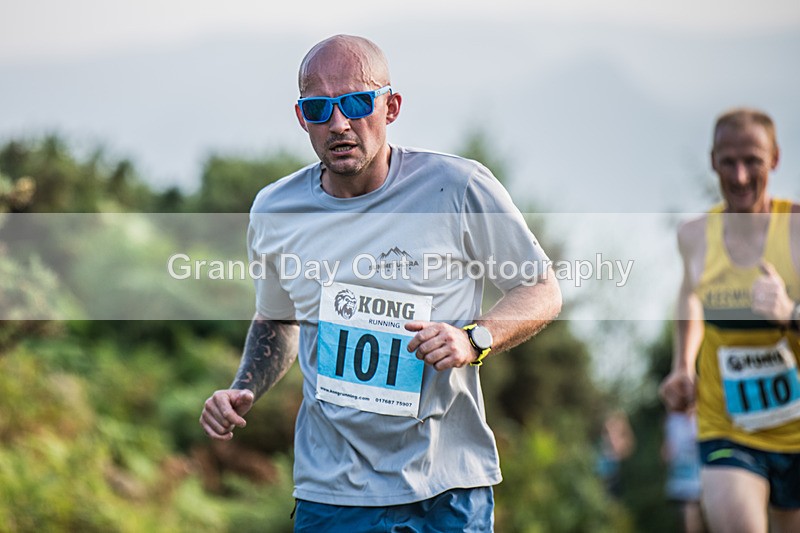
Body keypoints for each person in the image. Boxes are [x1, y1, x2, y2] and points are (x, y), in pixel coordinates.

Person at [199, 34, 562, 532]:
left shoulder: (457, 187)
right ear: (301, 117)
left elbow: (541, 289)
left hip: (448, 486)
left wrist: (474, 338)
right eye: (319, 108)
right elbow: (280, 318)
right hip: (333, 494)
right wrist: (243, 388)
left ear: (390, 107)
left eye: (354, 102)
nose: (339, 123)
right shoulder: (275, 210)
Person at [659, 108, 800, 533]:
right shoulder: (694, 237)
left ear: (774, 159)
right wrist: (682, 365)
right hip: (729, 428)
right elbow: (691, 302)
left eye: (752, 161)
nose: (739, 176)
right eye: (728, 162)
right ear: (713, 161)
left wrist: (789, 313)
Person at [662, 409, 705, 533]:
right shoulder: (672, 420)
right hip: (684, 481)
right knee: (691, 518)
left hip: (704, 478)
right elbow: (666, 452)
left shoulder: (703, 415)